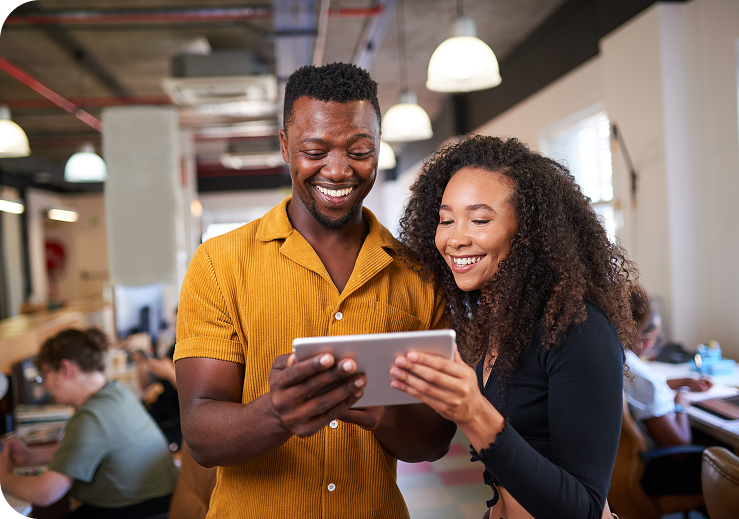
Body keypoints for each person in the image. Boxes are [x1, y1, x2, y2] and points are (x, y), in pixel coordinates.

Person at [174, 62, 456, 519]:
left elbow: (435, 440)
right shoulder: (219, 264)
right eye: (316, 150)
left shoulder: (419, 274)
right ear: (285, 147)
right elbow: (201, 433)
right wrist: (277, 413)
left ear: (379, 148)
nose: (339, 170)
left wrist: (383, 412)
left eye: (360, 150)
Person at [391, 135, 639, 519]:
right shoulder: (502, 321)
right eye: (446, 220)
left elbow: (585, 509)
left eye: (480, 220)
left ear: (528, 231)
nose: (456, 238)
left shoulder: (579, 329)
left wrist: (473, 412)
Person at [0, 328, 178, 518]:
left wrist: (3, 476)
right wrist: (31, 457)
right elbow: (80, 451)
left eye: (46, 375)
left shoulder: (92, 416)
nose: (47, 386)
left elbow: (45, 493)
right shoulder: (115, 391)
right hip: (159, 504)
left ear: (65, 369)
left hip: (140, 511)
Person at [624, 286, 711, 495]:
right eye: (655, 339)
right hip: (657, 471)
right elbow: (680, 446)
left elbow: (647, 383)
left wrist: (683, 381)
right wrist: (681, 405)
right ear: (641, 336)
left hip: (630, 467)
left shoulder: (621, 360)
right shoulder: (644, 381)